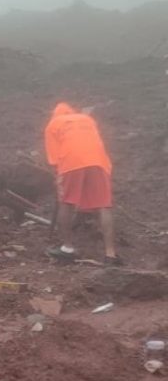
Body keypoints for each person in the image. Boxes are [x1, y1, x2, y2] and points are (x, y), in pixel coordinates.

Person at [43, 102, 121, 265]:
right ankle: (111, 254)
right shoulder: (87, 119)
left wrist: (58, 179)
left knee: (67, 202)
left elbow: (54, 158)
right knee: (104, 205)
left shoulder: (53, 124)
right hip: (99, 162)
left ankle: (67, 248)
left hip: (71, 162)